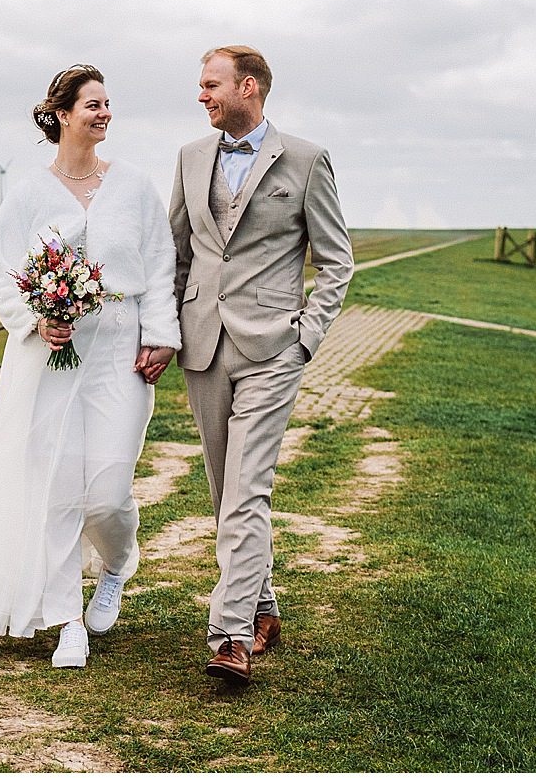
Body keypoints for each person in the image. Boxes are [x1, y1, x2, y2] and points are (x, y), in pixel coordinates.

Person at [0, 64, 181, 668]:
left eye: (107, 103)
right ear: (62, 115)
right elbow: (1, 277)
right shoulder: (27, 194)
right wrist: (36, 320)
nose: (104, 113)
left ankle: (117, 564)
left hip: (120, 350)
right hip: (50, 357)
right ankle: (66, 620)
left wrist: (161, 335)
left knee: (107, 492)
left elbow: (160, 264)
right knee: (56, 491)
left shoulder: (134, 186)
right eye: (92, 105)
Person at [171, 45, 353, 687]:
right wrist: (167, 331)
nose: (201, 95)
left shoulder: (305, 159)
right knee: (226, 490)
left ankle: (230, 634)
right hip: (202, 345)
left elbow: (336, 260)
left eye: (210, 84)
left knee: (248, 488)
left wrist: (305, 338)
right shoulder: (190, 157)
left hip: (273, 348)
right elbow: (178, 254)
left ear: (247, 87)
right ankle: (264, 608)